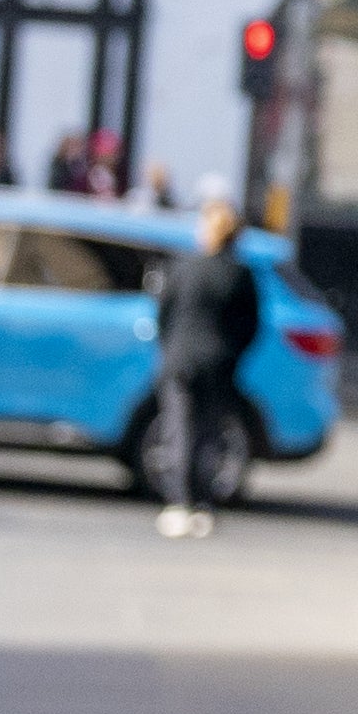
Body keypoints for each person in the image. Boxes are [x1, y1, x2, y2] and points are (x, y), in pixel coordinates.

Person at [149, 190, 266, 532]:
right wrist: (232, 354)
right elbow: (250, 324)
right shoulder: (239, 273)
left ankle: (179, 502)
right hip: (220, 363)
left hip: (181, 360)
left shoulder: (183, 267)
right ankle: (202, 503)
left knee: (179, 430)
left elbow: (163, 314)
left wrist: (169, 348)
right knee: (209, 433)